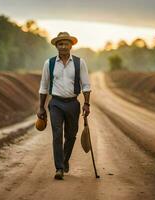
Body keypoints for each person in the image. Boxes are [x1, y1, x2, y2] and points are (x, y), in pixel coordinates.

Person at [37, 32, 91, 180]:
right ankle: (59, 168)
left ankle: (65, 160)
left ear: (71, 45)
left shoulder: (80, 63)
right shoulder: (50, 63)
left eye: (66, 43)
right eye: (60, 44)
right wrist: (41, 107)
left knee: (71, 135)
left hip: (73, 104)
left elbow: (86, 85)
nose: (63, 46)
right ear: (56, 46)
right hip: (56, 104)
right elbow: (43, 86)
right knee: (57, 134)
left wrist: (86, 104)